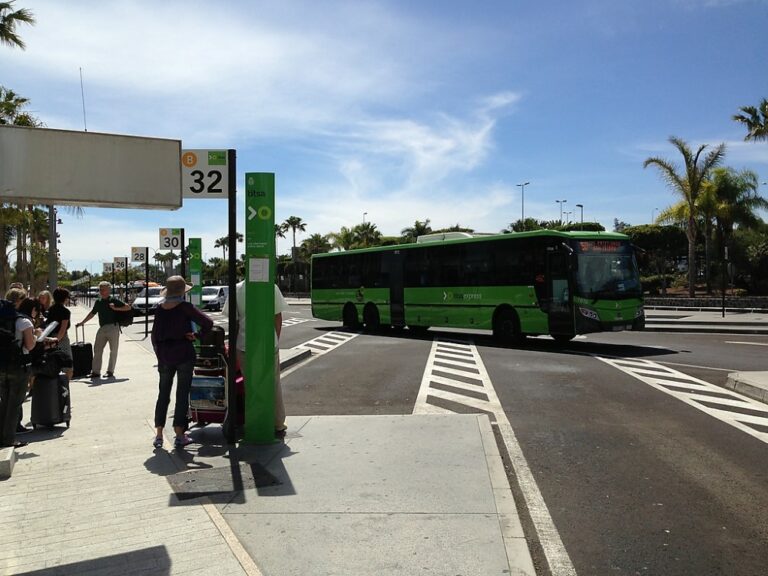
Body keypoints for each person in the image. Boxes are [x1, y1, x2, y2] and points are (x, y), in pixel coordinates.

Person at [151, 276, 213, 449]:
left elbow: (154, 335)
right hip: (184, 353)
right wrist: (196, 336)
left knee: (163, 394)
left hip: (164, 355)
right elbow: (208, 323)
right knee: (182, 394)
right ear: (182, 291)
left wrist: (159, 354)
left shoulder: (159, 309)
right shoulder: (185, 307)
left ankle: (159, 434)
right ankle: (179, 434)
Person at [224, 281, 289, 438]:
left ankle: (254, 422)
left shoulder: (237, 289)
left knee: (250, 384)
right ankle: (278, 422)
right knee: (273, 383)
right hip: (268, 344)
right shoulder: (270, 287)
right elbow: (278, 317)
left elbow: (234, 322)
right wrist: (275, 339)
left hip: (244, 345)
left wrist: (232, 346)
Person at [0, 288, 37, 448]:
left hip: (2, 365)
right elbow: (29, 345)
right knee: (14, 404)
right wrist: (36, 336)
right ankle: (9, 439)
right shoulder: (23, 321)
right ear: (20, 301)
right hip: (19, 366)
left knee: (4, 402)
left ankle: (2, 435)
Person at [76, 281, 131, 379]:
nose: (102, 291)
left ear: (109, 290)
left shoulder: (113, 300)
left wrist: (115, 308)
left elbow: (127, 307)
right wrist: (82, 322)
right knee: (97, 349)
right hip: (102, 328)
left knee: (113, 350)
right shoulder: (98, 302)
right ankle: (96, 372)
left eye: (104, 289)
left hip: (113, 327)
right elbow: (92, 313)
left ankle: (110, 371)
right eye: (100, 289)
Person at [46, 288, 74, 380]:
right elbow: (62, 330)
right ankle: (64, 388)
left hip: (49, 337)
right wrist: (56, 341)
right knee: (68, 366)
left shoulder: (50, 309)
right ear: (65, 298)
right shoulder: (65, 311)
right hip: (61, 339)